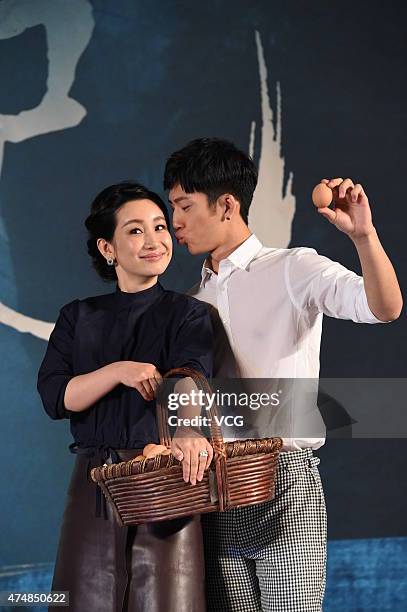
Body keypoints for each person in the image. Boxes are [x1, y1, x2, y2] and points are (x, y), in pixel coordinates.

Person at [163, 137, 403, 612]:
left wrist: (363, 236)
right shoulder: (188, 302)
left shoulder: (295, 268)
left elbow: (385, 308)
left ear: (227, 204)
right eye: (173, 208)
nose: (175, 224)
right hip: (216, 485)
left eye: (185, 206)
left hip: (286, 480)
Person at [37, 181, 214, 612]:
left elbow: (191, 376)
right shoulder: (78, 317)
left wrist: (188, 430)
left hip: (163, 477)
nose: (154, 240)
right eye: (135, 231)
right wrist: (118, 371)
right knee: (80, 601)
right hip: (94, 483)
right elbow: (58, 397)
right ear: (107, 247)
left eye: (159, 227)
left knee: (171, 601)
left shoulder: (189, 313)